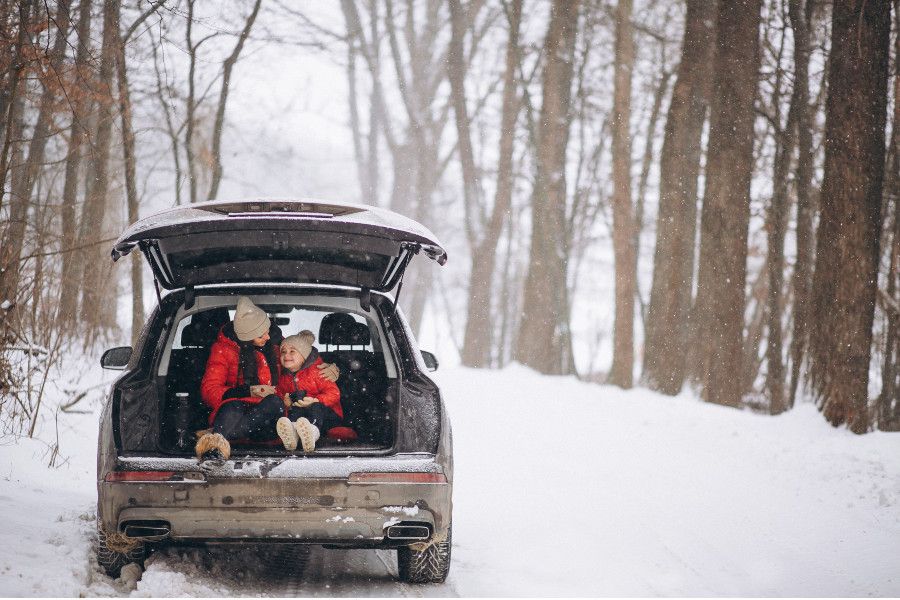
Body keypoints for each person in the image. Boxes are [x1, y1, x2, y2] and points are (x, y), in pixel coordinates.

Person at [195, 297, 338, 461]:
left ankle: (222, 434)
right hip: (236, 411)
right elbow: (209, 391)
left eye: (268, 330)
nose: (268, 337)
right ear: (246, 337)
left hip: (268, 418)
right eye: (261, 334)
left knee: (274, 402)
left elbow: (301, 355)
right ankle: (214, 451)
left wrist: (329, 367)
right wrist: (248, 391)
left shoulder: (276, 345)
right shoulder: (223, 350)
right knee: (232, 406)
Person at [275, 331, 343, 452]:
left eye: (292, 351)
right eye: (283, 352)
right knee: (294, 410)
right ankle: (293, 434)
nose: (286, 356)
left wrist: (316, 400)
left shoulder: (319, 371)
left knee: (316, 407)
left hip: (328, 415)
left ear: (304, 356)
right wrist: (285, 400)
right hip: (302, 415)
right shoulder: (284, 377)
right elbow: (279, 392)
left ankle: (312, 432)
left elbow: (334, 394)